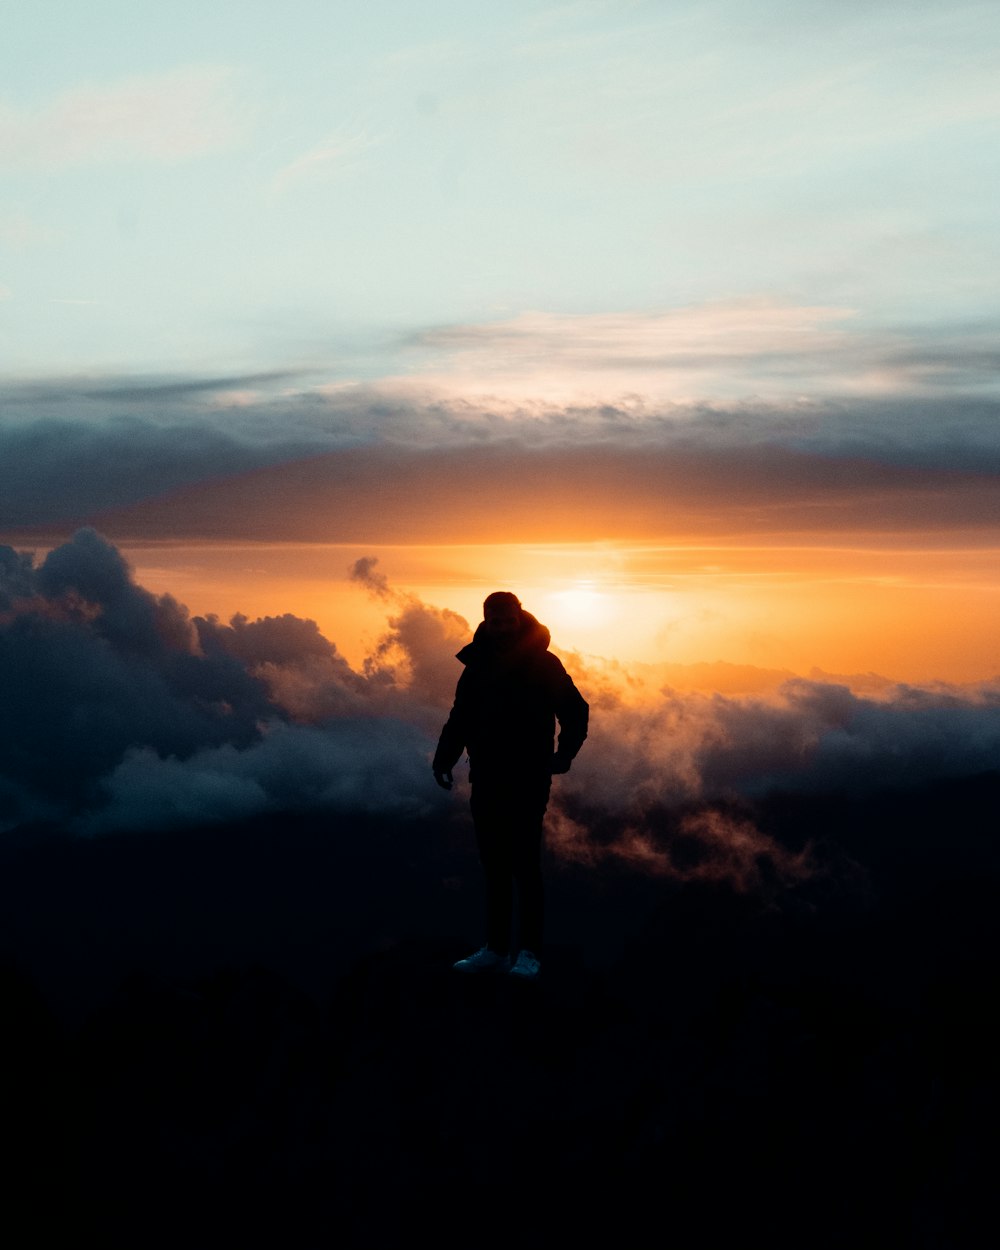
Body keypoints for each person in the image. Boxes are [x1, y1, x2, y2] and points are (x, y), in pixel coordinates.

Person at [433, 591, 589, 980]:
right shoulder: (476, 667)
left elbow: (575, 710)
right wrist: (444, 757)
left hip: (528, 776)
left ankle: (530, 953)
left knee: (524, 864)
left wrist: (563, 755)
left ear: (519, 619)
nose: (502, 628)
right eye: (495, 621)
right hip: (486, 775)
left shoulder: (543, 664)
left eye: (508, 621)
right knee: (495, 865)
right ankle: (497, 948)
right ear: (486, 621)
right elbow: (461, 717)